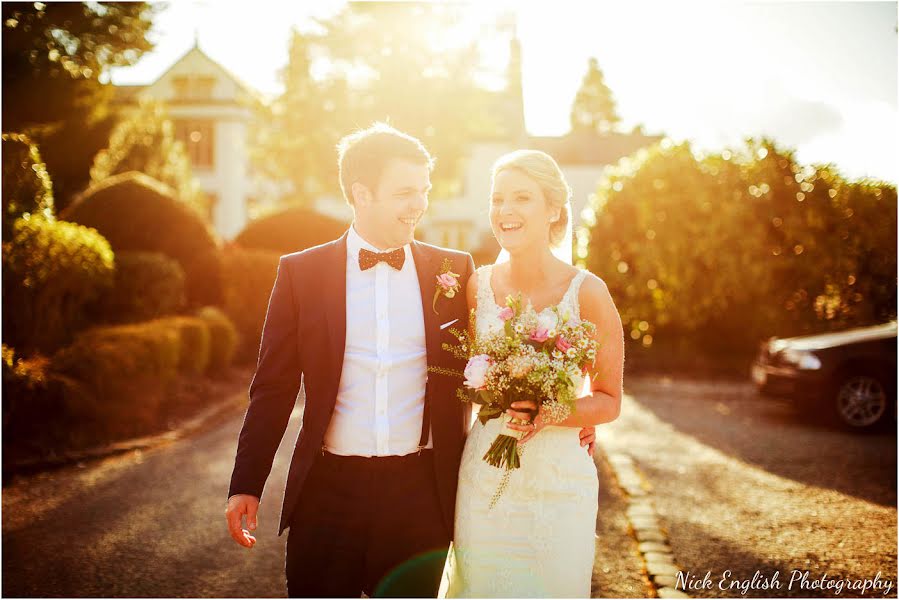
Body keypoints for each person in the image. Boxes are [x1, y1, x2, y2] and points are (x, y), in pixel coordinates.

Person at [224, 123, 597, 598]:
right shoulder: (301, 273)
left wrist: (573, 407)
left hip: (419, 497)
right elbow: (272, 389)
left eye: (424, 190)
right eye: (405, 192)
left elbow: (506, 350)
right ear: (362, 193)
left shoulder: (453, 270)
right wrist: (246, 484)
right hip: (326, 495)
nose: (419, 204)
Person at [442, 149, 625, 598]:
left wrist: (553, 411)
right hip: (484, 478)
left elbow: (608, 399)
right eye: (497, 198)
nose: (505, 211)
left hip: (557, 487)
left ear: (555, 210)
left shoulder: (589, 293)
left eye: (521, 198)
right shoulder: (476, 287)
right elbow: (462, 384)